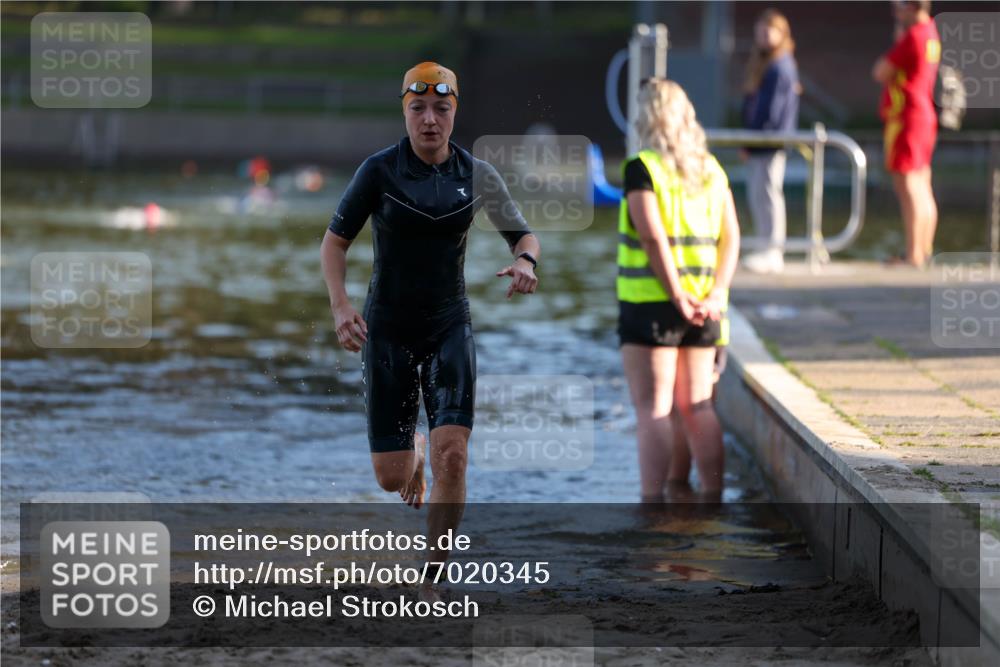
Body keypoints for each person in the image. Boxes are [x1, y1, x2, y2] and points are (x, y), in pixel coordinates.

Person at [320, 62, 540, 598]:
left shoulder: (477, 174)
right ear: (404, 110)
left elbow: (523, 236)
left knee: (456, 455)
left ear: (454, 111)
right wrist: (342, 306)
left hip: (448, 325)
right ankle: (412, 453)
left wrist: (527, 263)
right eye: (418, 108)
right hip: (388, 328)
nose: (429, 120)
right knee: (392, 478)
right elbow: (334, 243)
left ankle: (434, 576)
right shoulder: (379, 171)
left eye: (441, 108)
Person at [617, 79, 740, 502]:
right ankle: (708, 498)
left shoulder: (642, 167)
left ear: (647, 118)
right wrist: (716, 294)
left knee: (653, 409)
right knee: (698, 407)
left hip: (653, 304)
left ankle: (652, 507)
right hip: (706, 307)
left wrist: (676, 296)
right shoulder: (711, 169)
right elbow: (732, 239)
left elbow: (651, 238)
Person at [872, 0, 940, 267]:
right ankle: (922, 249)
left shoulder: (912, 36)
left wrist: (898, 40)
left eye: (899, 4)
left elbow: (880, 71)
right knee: (922, 182)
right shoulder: (931, 32)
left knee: (908, 183)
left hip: (907, 117)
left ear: (913, 6)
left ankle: (913, 254)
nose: (895, 9)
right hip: (924, 115)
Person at [740, 8, 799, 275]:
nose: (763, 36)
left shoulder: (780, 66)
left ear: (781, 33)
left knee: (768, 193)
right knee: (758, 193)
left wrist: (752, 142)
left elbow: (772, 112)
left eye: (769, 30)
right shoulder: (764, 63)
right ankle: (766, 246)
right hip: (759, 141)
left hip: (770, 142)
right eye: (760, 30)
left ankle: (773, 250)